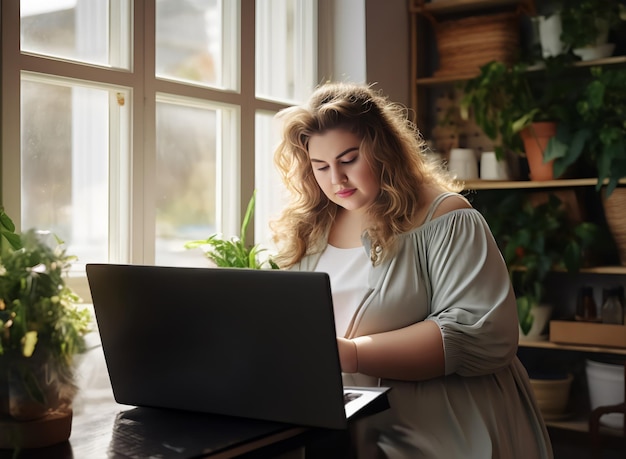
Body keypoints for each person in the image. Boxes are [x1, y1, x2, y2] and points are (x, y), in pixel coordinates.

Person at [269, 81, 553, 458]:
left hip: (441, 427)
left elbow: (484, 335)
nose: (336, 180)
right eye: (320, 166)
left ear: (382, 149)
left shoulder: (446, 217)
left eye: (349, 159)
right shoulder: (311, 226)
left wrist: (351, 354)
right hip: (340, 421)